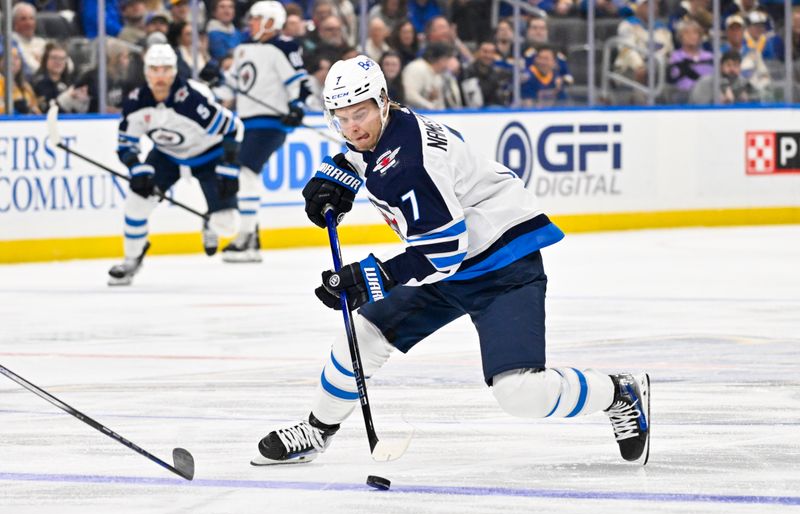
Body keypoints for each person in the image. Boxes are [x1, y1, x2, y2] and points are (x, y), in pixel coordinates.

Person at [250, 55, 651, 467]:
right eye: (341, 118)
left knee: (521, 394)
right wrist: (338, 175)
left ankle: (619, 392)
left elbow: (443, 252)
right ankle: (317, 431)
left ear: (382, 102)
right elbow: (364, 156)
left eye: (361, 113)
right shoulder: (394, 125)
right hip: (452, 261)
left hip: (501, 267)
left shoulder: (409, 165)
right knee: (362, 336)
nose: (353, 127)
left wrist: (374, 277)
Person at [109, 44, 244, 285]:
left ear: (174, 71)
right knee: (136, 205)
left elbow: (233, 128)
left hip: (208, 155)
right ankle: (131, 259)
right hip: (166, 156)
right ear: (146, 72)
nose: (160, 76)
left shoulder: (192, 100)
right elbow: (126, 143)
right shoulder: (136, 101)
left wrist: (229, 170)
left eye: (166, 69)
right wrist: (136, 168)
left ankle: (210, 220)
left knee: (228, 226)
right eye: (154, 69)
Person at [220, 1, 311, 262]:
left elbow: (300, 84)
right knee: (245, 174)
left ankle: (246, 238)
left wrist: (297, 107)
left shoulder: (284, 47)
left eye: (257, 19)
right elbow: (231, 88)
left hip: (271, 123)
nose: (251, 23)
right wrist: (214, 82)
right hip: (246, 123)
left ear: (271, 21)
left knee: (246, 172)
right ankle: (252, 238)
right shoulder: (242, 50)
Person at [689, 49, 762, 104]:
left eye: (736, 66)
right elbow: (698, 107)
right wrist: (718, 102)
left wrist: (747, 99)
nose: (732, 69)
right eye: (728, 65)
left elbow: (759, 99)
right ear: (721, 66)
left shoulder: (743, 83)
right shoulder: (705, 82)